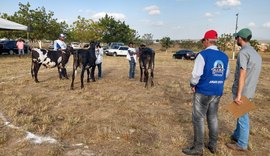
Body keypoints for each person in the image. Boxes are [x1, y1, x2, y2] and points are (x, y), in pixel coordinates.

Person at [182, 30, 230, 155]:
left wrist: (193, 84)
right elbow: (226, 74)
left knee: (198, 119)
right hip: (217, 91)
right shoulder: (224, 56)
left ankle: (198, 148)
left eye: (204, 40)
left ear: (207, 40)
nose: (203, 43)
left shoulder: (202, 55)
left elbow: (196, 74)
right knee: (213, 117)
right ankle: (213, 145)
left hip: (203, 91)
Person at [226, 28, 262, 151]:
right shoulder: (255, 53)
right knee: (240, 114)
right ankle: (236, 135)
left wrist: (238, 95)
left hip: (243, 91)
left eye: (237, 38)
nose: (236, 39)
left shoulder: (243, 53)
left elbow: (242, 73)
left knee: (243, 118)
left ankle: (242, 144)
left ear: (240, 38)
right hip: (250, 90)